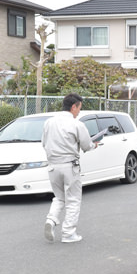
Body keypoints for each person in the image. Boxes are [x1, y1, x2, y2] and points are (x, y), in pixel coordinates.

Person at [42, 93, 98, 243]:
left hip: (52, 166)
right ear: (74, 107)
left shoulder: (49, 122)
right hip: (69, 165)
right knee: (73, 200)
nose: (79, 111)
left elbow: (43, 143)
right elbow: (87, 145)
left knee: (59, 197)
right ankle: (68, 233)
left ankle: (51, 220)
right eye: (79, 108)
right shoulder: (77, 124)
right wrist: (94, 145)